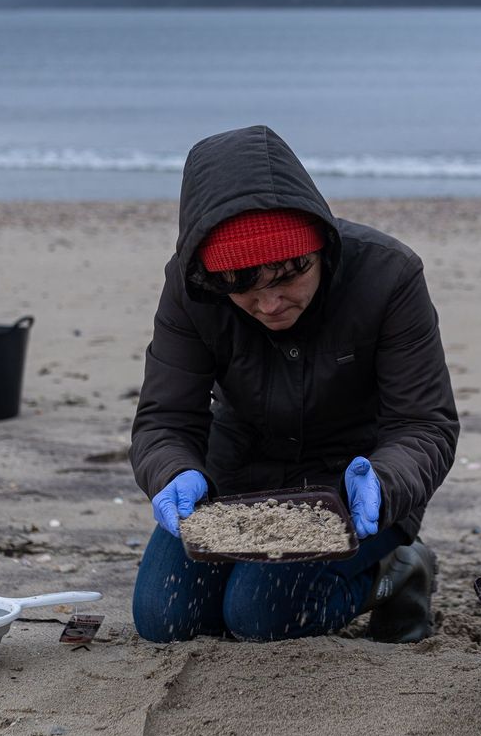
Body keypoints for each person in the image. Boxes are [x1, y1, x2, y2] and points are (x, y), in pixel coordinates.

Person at [129, 124, 458, 645]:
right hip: (235, 480)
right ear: (213, 279)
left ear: (318, 249)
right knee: (167, 619)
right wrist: (173, 472)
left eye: (287, 277)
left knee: (259, 618)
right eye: (243, 289)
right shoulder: (191, 289)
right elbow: (165, 419)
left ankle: (398, 571)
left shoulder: (388, 275)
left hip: (353, 488)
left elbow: (425, 424)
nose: (269, 304)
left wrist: (385, 482)